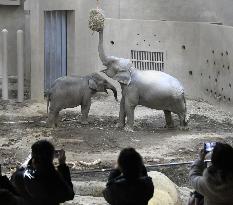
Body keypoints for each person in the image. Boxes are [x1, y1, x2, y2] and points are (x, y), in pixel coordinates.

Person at [11, 140, 75, 205]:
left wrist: (29, 160)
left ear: (34, 159)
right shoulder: (54, 180)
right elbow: (69, 195)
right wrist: (62, 164)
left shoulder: (21, 177)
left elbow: (14, 181)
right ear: (51, 159)